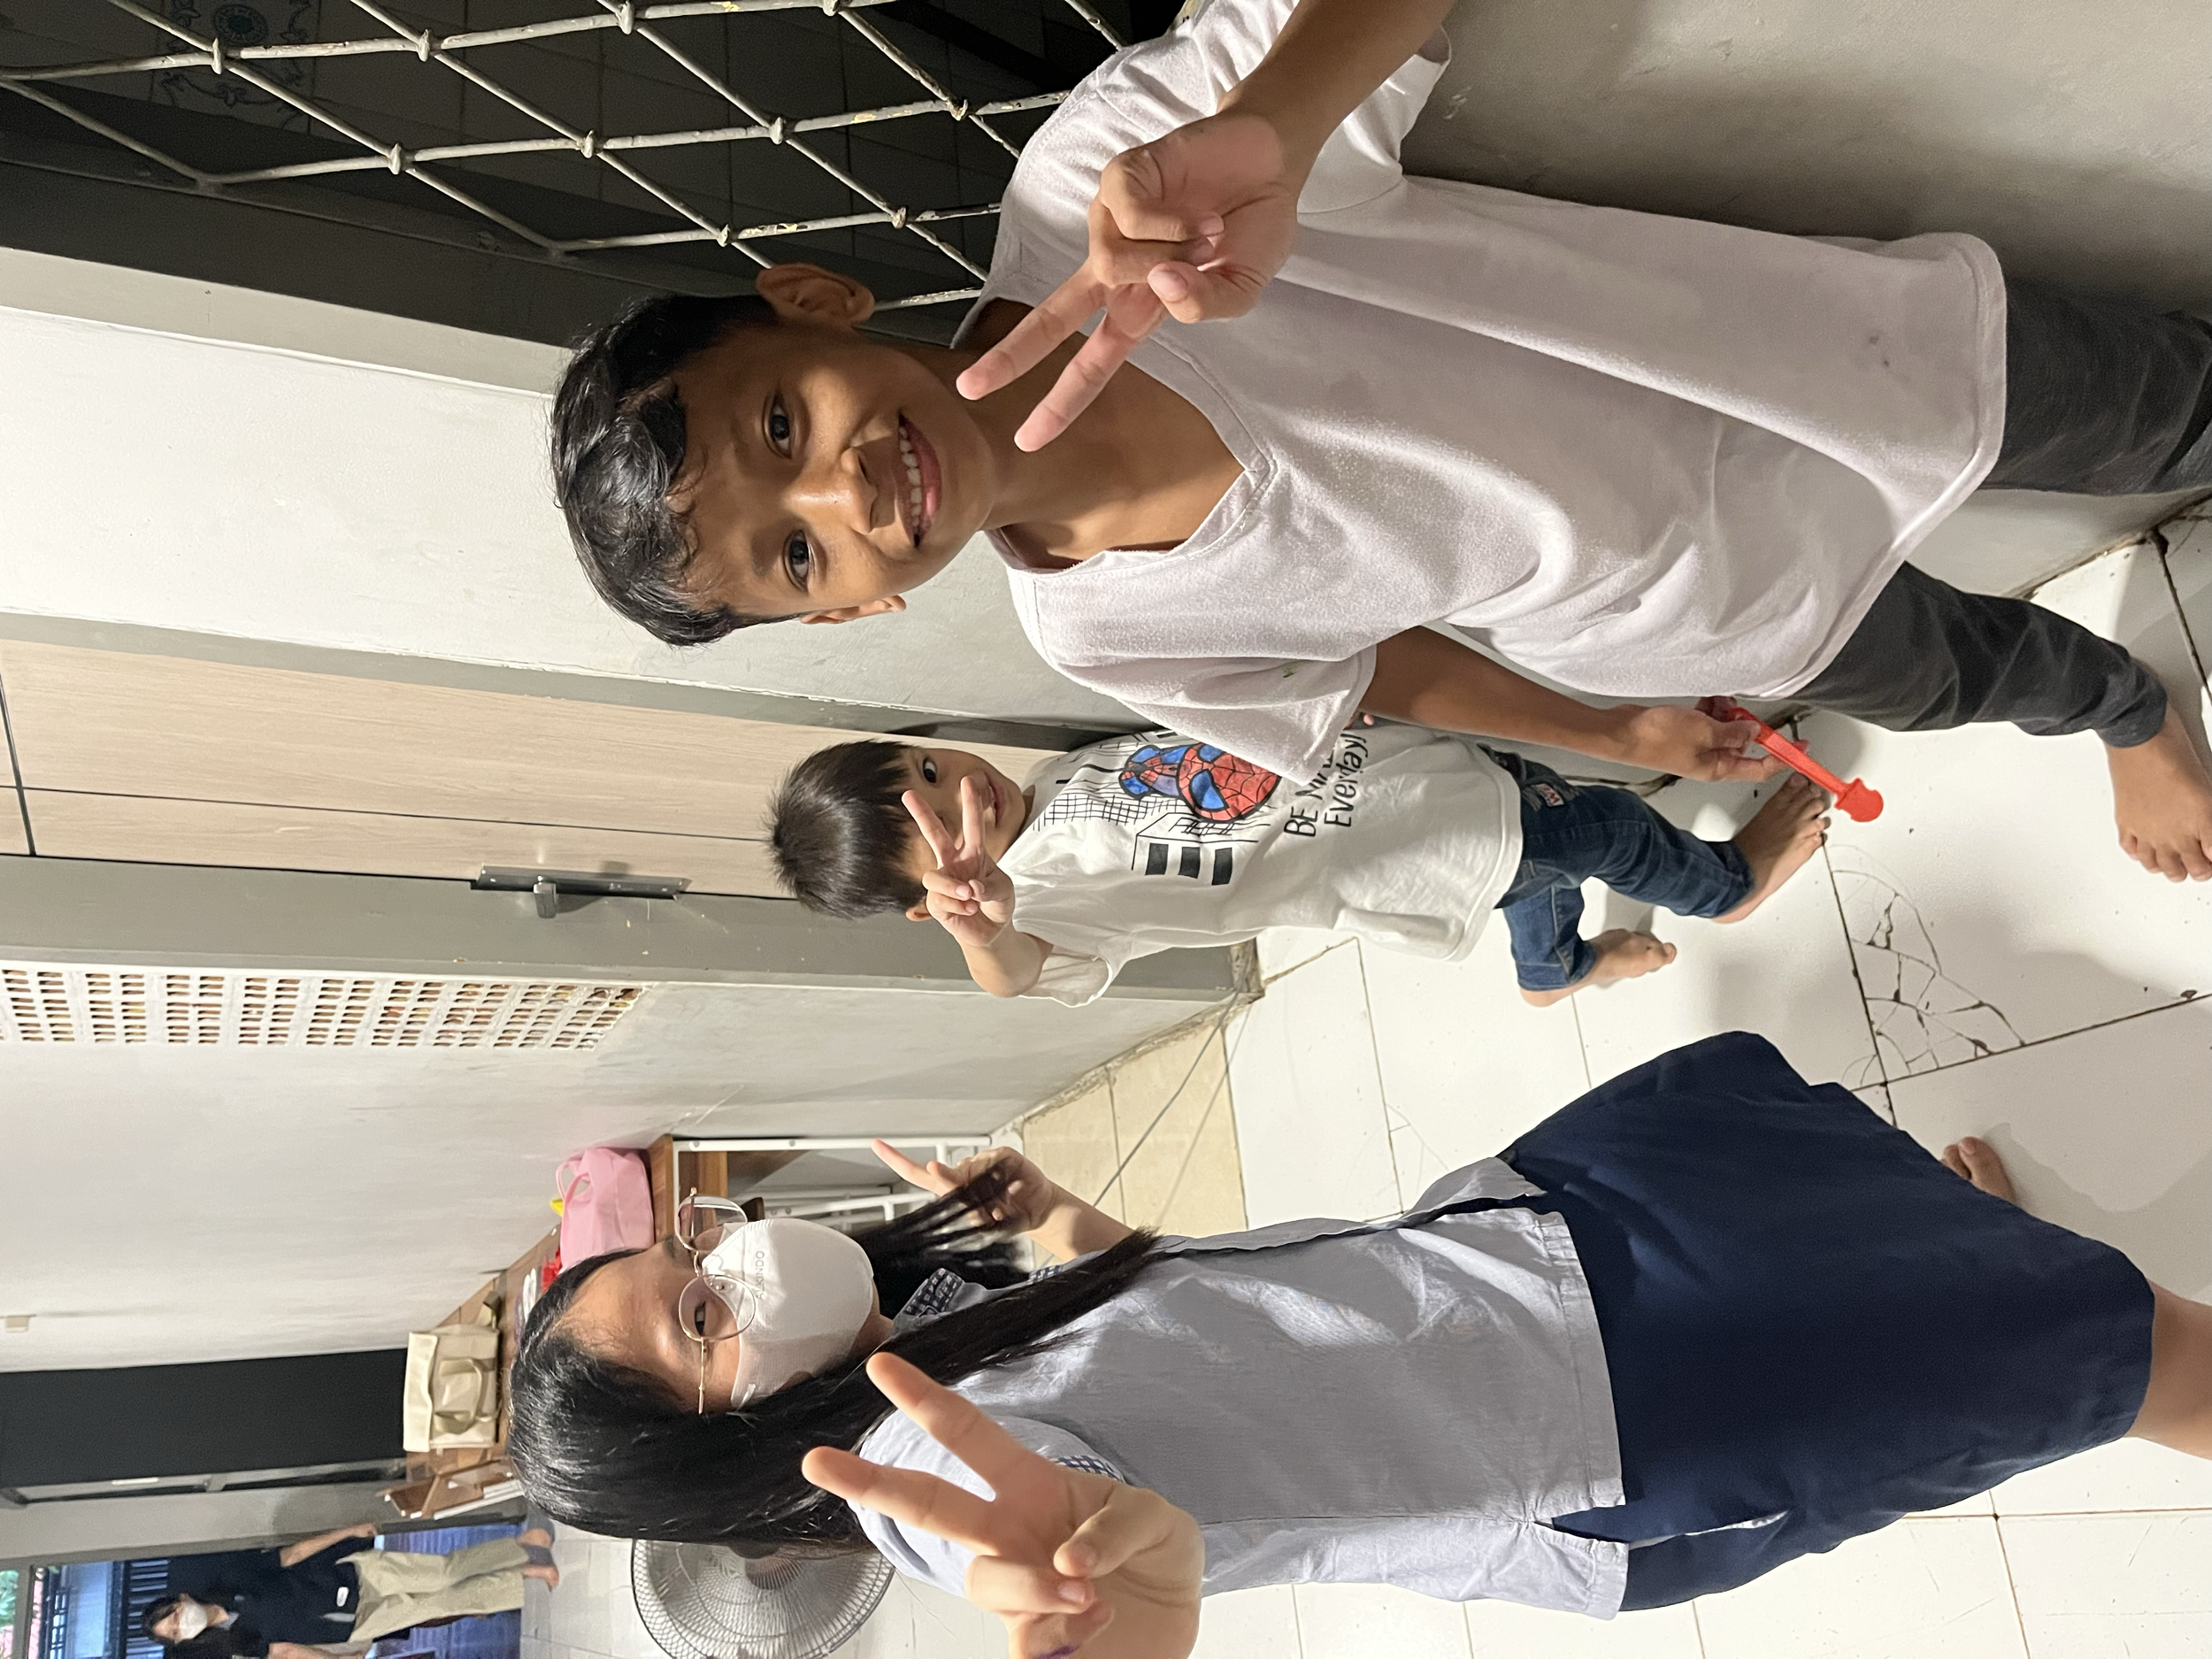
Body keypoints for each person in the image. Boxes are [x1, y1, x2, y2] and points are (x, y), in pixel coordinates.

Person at [549, 0, 2212, 884]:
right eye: (794, 551)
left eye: (782, 423)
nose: (843, 490)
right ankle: (2133, 706)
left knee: (2150, 398)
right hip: (1700, 608)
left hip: (1807, 360)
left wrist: (1269, 124)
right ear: (846, 613)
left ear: (817, 302)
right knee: (1962, 674)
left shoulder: (1091, 195)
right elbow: (1376, 668)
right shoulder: (1097, 624)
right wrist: (1610, 726)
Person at [503, 1033, 2212, 1653]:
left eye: (693, 1249)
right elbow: (1067, 1536)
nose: (736, 1258)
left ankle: (1950, 1262)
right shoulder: (910, 1470)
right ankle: (1999, 1332)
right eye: (704, 1317)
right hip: (1618, 1407)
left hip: (1520, 1249)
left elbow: (1178, 1311)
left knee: (1848, 1188)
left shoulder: (925, 1318)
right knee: (2118, 1350)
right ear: (723, 1443)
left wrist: (1055, 1225)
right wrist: (1095, 1588)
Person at [769, 727, 1830, 1003]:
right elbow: (1019, 977)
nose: (965, 794)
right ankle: (1730, 884)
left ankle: (1552, 972)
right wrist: (986, 928)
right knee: (1599, 832)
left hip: (1417, 784)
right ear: (931, 899)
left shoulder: (1049, 777)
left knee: (1536, 880)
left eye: (927, 767)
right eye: (937, 832)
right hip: (1430, 845)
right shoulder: (1043, 898)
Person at [142, 1525, 559, 1656]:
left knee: (446, 1573)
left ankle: (518, 1545)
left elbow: (291, 1555)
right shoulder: (235, 1642)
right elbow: (287, 1651)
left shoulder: (232, 1577)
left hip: (356, 1577)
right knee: (448, 1602)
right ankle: (527, 1577)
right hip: (354, 1626)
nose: (183, 1626)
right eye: (176, 1633)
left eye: (175, 1618)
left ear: (182, 1600)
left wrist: (348, 1532)